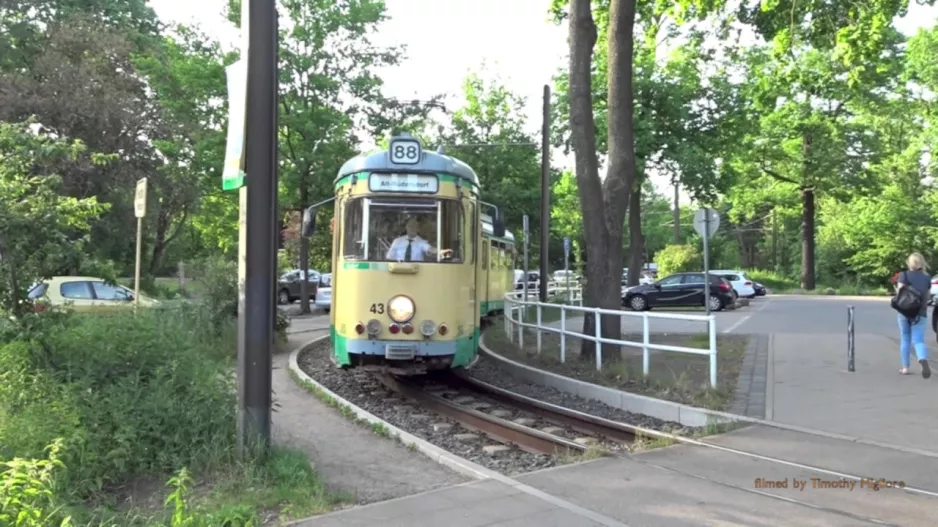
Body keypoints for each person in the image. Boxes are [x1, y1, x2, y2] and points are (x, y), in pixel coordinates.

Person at [896, 252, 931, 378]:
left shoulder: (903, 275)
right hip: (920, 311)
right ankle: (922, 358)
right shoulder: (927, 277)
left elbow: (900, 293)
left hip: (905, 311)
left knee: (905, 338)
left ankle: (905, 368)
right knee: (918, 340)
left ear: (909, 263)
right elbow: (926, 295)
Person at [385, 218, 452, 262]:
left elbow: (430, 249)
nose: (412, 228)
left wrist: (440, 251)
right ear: (406, 227)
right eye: (410, 226)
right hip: (398, 270)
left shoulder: (421, 242)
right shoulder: (397, 241)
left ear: (418, 229)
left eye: (415, 226)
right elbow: (389, 257)